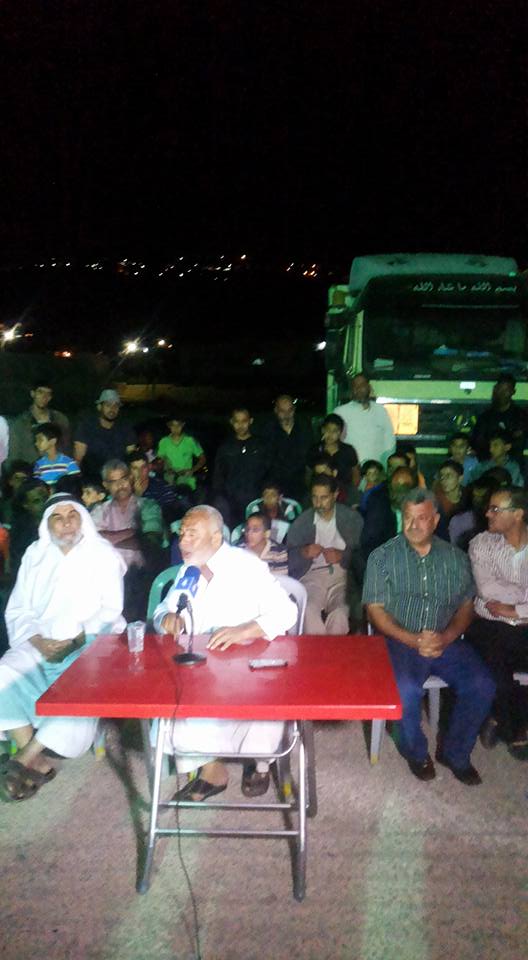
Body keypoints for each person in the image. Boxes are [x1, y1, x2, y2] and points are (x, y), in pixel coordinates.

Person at [153, 505, 297, 800]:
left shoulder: (247, 566)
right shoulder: (188, 571)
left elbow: (287, 611)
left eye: (192, 534)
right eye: (182, 534)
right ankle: (212, 770)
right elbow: (164, 609)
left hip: (249, 666)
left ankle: (259, 765)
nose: (183, 542)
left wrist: (244, 630)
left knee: (260, 722)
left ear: (216, 538)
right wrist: (166, 619)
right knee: (175, 709)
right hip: (203, 669)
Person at [363, 488, 495, 785]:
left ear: (435, 520)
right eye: (407, 518)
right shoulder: (382, 558)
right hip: (398, 639)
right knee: (405, 690)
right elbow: (375, 611)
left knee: (482, 684)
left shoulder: (456, 559)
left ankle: (455, 753)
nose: (412, 525)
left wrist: (446, 636)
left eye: (421, 518)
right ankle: (416, 752)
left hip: (445, 639)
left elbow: (466, 606)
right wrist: (413, 640)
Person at [0, 493, 125, 801]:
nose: (67, 523)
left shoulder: (102, 553)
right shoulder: (35, 555)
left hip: (91, 640)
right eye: (58, 517)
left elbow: (111, 609)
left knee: (80, 684)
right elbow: (19, 609)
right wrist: (39, 641)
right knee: (5, 670)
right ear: (48, 524)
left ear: (83, 519)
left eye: (73, 516)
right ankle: (37, 761)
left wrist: (73, 642)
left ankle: (25, 757)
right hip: (41, 640)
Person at [466, 486, 528, 759]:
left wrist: (516, 609)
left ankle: (496, 718)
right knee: (496, 668)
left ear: (518, 514)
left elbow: (502, 595)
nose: (487, 514)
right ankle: (516, 729)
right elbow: (488, 590)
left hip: (522, 623)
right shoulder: (481, 543)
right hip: (489, 623)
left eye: (495, 509)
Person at [287, 476, 363, 634]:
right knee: (308, 610)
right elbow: (287, 557)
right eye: (315, 497)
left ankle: (334, 649)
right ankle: (317, 649)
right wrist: (304, 552)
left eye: (324, 497)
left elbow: (364, 555)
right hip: (312, 575)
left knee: (340, 613)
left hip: (343, 577)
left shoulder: (351, 519)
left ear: (335, 495)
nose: (318, 503)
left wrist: (342, 556)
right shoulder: (303, 522)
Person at [91, 459, 164, 620]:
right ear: (105, 485)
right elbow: (91, 541)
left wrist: (108, 540)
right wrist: (133, 532)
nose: (120, 485)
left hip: (141, 576)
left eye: (123, 479)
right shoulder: (100, 510)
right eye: (113, 482)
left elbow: (150, 541)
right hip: (107, 578)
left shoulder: (148, 506)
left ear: (130, 478)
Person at [212, 407, 269, 528]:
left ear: (250, 421)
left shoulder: (261, 445)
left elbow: (269, 471)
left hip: (256, 500)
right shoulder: (225, 447)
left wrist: (266, 492)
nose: (240, 425)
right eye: (237, 421)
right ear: (231, 422)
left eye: (244, 421)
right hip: (231, 503)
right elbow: (218, 475)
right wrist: (220, 498)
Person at [333, 372, 395, 468]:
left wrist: (385, 465)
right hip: (349, 468)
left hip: (375, 469)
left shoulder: (380, 411)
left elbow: (389, 440)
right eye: (355, 386)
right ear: (351, 390)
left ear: (368, 387)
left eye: (362, 385)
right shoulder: (340, 412)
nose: (359, 389)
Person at [73, 389, 136, 478]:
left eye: (116, 405)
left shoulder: (125, 428)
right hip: (93, 478)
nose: (112, 409)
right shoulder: (87, 427)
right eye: (108, 405)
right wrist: (76, 479)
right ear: (99, 407)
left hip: (119, 477)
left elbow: (132, 456)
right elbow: (78, 457)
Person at [261, 394, 313, 502]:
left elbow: (310, 455)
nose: (286, 415)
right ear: (276, 410)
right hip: (277, 487)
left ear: (294, 409)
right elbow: (266, 460)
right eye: (282, 411)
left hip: (300, 486)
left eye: (290, 410)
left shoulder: (304, 427)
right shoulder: (268, 430)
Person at [360, 465, 415, 560]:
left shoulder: (420, 507)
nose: (398, 493)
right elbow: (370, 541)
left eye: (403, 487)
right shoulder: (379, 503)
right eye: (395, 487)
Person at [8, 381, 71, 464]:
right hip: (30, 468)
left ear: (50, 397)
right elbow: (14, 453)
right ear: (32, 394)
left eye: (48, 394)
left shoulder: (60, 419)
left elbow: (67, 447)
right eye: (40, 392)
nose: (44, 397)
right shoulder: (20, 423)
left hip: (56, 468)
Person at [471, 374, 527, 466]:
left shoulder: (521, 416)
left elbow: (519, 444)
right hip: (487, 464)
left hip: (513, 465)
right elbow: (477, 442)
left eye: (506, 390)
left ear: (513, 392)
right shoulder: (485, 417)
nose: (502, 393)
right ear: (495, 389)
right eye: (500, 389)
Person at [127, 449, 188, 524]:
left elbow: (169, 517)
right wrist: (137, 496)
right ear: (129, 470)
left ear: (149, 467)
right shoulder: (124, 489)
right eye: (135, 468)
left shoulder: (162, 487)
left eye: (143, 467)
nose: (140, 472)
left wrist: (139, 498)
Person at [306, 413, 360, 492]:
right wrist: (315, 470)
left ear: (340, 433)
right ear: (323, 430)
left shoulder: (348, 451)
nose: (330, 434)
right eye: (327, 429)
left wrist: (351, 492)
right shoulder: (314, 450)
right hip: (320, 495)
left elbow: (356, 475)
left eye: (335, 431)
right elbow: (307, 476)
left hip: (344, 493)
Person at [9, 479, 49, 579]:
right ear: (26, 505)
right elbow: (18, 567)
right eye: (36, 501)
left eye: (46, 498)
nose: (44, 504)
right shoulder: (21, 532)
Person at [157, 417, 206, 496]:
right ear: (169, 426)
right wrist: (166, 468)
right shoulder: (163, 441)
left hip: (186, 481)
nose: (176, 428)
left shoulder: (190, 441)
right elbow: (160, 460)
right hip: (169, 481)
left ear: (182, 425)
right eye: (173, 425)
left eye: (178, 425)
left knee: (185, 501)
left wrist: (192, 470)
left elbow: (203, 459)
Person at [432, 459, 468, 541]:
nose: (443, 480)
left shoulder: (468, 495)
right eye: (441, 476)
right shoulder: (435, 500)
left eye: (448, 476)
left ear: (460, 478)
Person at [0, 460, 32, 525]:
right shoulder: (3, 506)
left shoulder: (35, 504)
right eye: (17, 478)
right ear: (10, 481)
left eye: (24, 478)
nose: (20, 481)